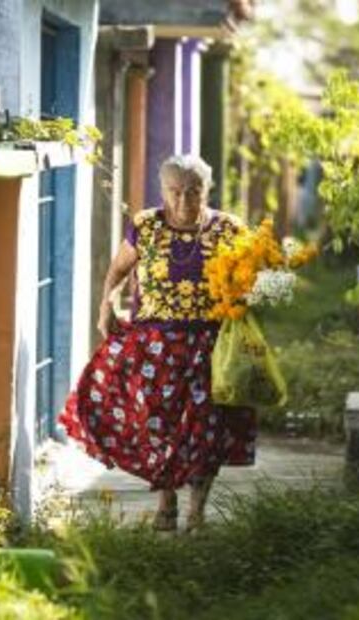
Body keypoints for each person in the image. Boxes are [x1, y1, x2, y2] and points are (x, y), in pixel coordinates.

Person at [59, 154, 257, 532]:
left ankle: (197, 513)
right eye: (175, 191)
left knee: (207, 431)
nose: (184, 202)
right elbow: (118, 270)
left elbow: (256, 284)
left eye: (194, 192)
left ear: (207, 190)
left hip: (211, 346)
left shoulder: (231, 230)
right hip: (156, 348)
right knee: (157, 426)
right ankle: (167, 501)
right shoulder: (145, 225)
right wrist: (106, 305)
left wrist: (250, 292)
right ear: (162, 189)